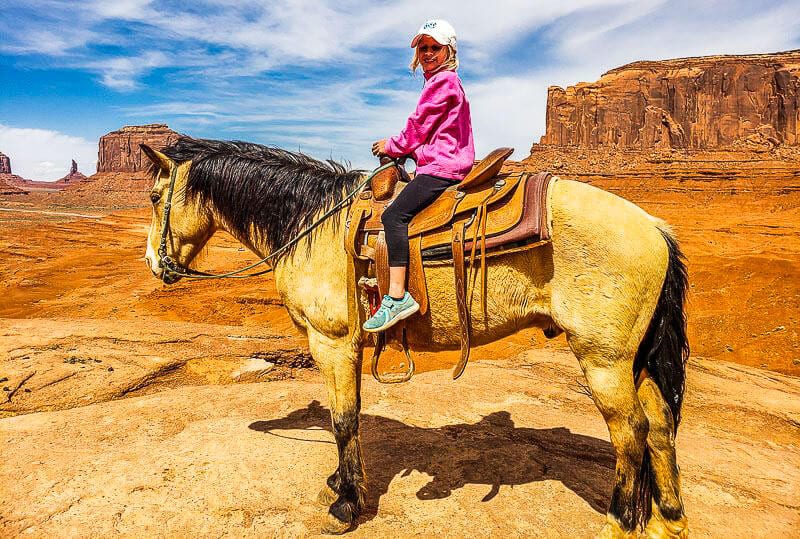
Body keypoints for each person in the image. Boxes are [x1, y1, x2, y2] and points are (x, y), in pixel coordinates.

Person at [363, 19, 475, 333]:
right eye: (423, 48)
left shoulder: (443, 83)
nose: (427, 53)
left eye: (434, 47)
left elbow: (418, 126)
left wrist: (392, 145)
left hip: (443, 167)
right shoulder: (442, 82)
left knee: (394, 216)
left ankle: (397, 296)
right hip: (438, 164)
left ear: (449, 50)